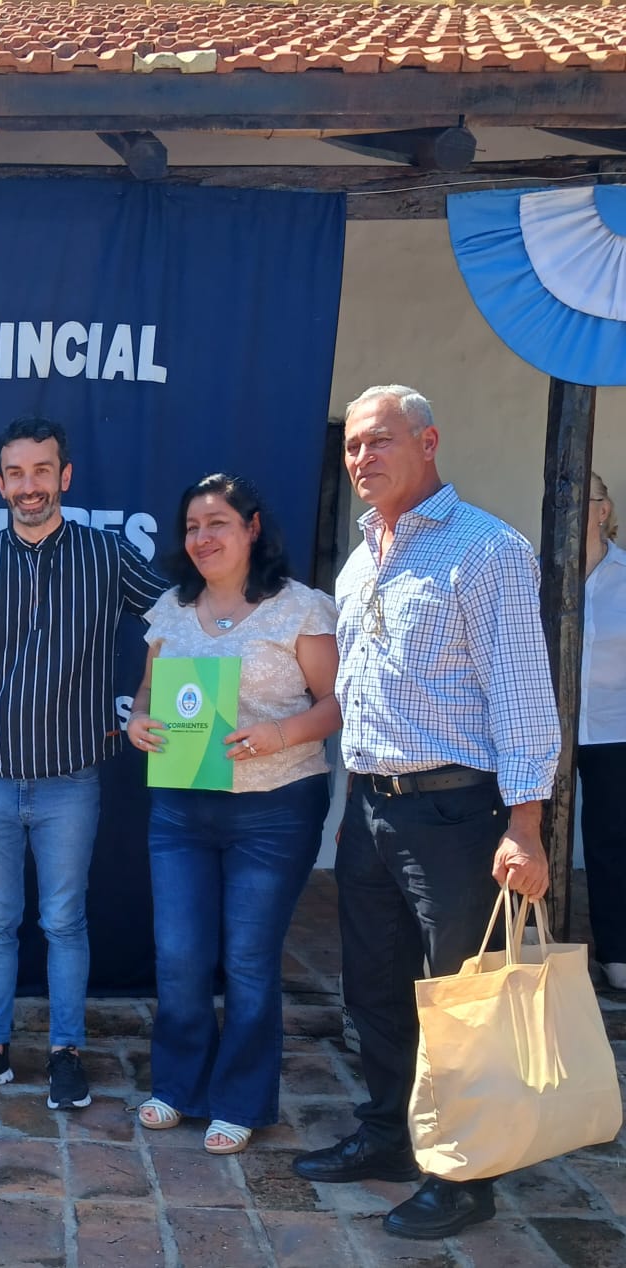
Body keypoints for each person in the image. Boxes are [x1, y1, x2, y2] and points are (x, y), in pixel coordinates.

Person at [292, 386, 560, 1240]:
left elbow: (523, 698)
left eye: (380, 441)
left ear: (429, 441)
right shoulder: (361, 558)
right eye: (352, 446)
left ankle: (464, 1176)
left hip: (457, 816)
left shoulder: (487, 550)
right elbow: (363, 698)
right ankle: (389, 1135)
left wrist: (527, 826)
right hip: (374, 810)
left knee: (463, 1005)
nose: (361, 458)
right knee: (375, 987)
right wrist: (354, 805)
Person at [0, 417, 165, 1110]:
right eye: (16, 473)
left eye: (42, 470)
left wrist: (145, 699)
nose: (29, 485)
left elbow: (174, 619)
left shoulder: (107, 554)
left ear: (64, 476)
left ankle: (67, 1052)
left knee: (64, 922)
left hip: (71, 779)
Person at [126, 473, 340, 1154]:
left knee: (248, 960)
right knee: (180, 956)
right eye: (192, 527)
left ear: (252, 528)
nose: (202, 537)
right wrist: (137, 723)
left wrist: (279, 734)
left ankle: (240, 1099)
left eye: (217, 522)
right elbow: (146, 696)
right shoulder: (170, 609)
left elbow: (339, 704)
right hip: (181, 808)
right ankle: (178, 1086)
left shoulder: (300, 608)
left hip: (276, 809)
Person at [578, 472, 626, 989]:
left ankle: (617, 952)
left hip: (615, 728)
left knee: (612, 838)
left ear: (603, 510)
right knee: (532, 833)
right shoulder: (536, 573)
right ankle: (535, 941)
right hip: (547, 725)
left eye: (581, 498)